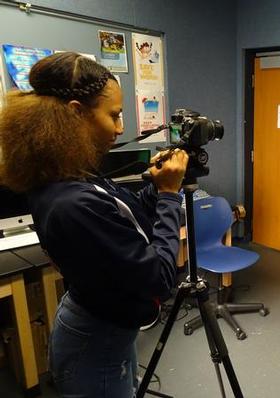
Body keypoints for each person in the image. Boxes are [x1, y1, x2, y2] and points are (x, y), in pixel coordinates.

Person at [0, 52, 188, 397]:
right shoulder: (71, 203)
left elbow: (122, 214)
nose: (120, 128)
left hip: (109, 326)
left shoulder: (70, 174)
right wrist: (170, 196)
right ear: (75, 112)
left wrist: (155, 187)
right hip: (95, 339)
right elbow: (159, 279)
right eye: (114, 116)